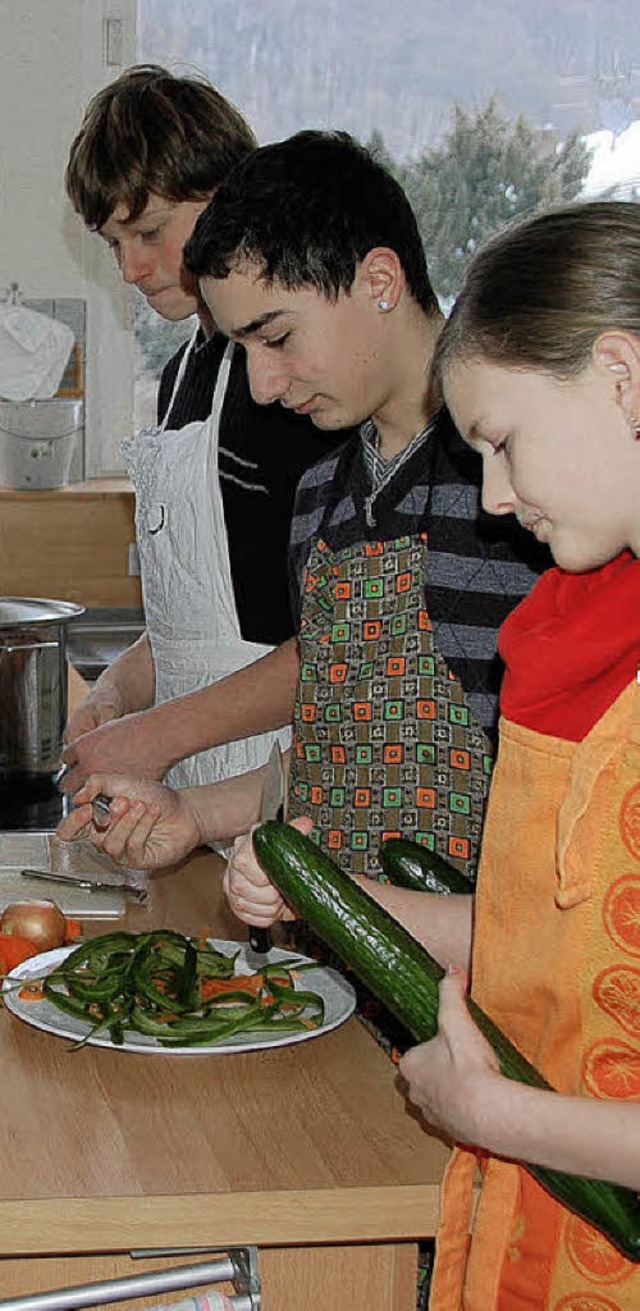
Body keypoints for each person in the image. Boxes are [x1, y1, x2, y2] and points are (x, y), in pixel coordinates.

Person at [225, 199, 640, 1309]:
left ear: (621, 378)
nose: (496, 498)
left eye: (502, 442)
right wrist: (328, 894)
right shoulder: (591, 628)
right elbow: (539, 943)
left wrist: (496, 1114)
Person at [60, 130, 546, 878]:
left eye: (277, 336)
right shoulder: (323, 493)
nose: (261, 385)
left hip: (487, 966)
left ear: (379, 280)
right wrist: (193, 814)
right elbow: (334, 754)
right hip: (346, 946)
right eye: (244, 348)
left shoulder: (518, 482)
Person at [62, 67, 345, 798]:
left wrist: (154, 736)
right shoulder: (186, 373)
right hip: (197, 778)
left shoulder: (297, 383)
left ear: (229, 195)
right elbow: (205, 619)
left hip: (291, 773)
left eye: (148, 231)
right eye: (112, 242)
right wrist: (119, 691)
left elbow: (339, 642)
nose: (130, 267)